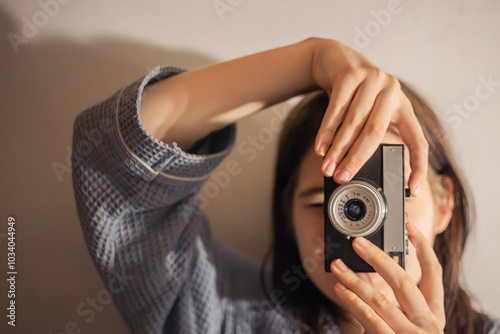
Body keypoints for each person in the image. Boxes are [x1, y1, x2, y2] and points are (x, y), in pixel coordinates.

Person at [72, 37, 499, 333]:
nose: (358, 225)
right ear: (287, 216)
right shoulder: (222, 313)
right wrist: (310, 60)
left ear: (447, 205)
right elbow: (113, 167)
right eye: (327, 202)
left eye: (389, 196)